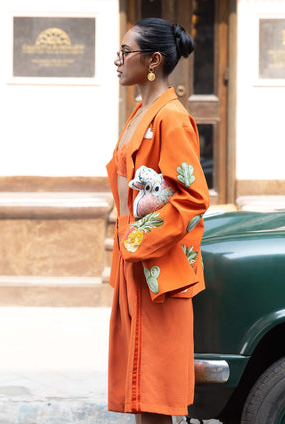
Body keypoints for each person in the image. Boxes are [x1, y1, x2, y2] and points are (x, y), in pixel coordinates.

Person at [106, 17, 210, 424]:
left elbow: (192, 197)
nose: (118, 60)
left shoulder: (171, 117)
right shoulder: (140, 111)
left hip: (157, 273)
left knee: (153, 396)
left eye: (125, 52)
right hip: (135, 267)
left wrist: (136, 240)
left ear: (153, 60)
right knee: (139, 393)